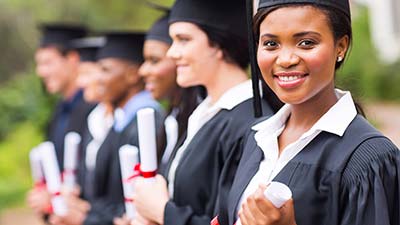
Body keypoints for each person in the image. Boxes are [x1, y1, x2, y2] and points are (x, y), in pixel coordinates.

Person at [216, 0, 400, 225]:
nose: (286, 59)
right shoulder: (256, 138)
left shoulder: (371, 159)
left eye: (306, 43)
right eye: (271, 43)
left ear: (340, 46)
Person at [131, 0, 274, 225]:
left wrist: (162, 212)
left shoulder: (251, 124)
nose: (172, 52)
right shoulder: (205, 113)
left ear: (218, 45)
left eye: (183, 40)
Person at [50, 32, 165, 225]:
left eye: (105, 70)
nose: (98, 78)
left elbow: (130, 201)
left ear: (131, 75)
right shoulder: (119, 120)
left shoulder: (147, 121)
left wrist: (87, 217)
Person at [27, 24, 95, 219]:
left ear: (72, 59)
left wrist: (55, 197)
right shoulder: (59, 109)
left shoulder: (93, 109)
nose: (40, 72)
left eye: (47, 63)